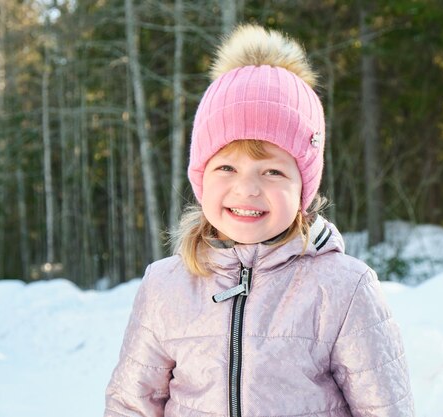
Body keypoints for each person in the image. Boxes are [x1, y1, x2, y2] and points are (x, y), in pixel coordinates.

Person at [104, 24, 414, 417]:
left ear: (303, 186)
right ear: (200, 176)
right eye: (227, 167)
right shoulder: (166, 287)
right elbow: (131, 405)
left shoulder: (343, 289)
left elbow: (385, 409)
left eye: (271, 172)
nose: (247, 189)